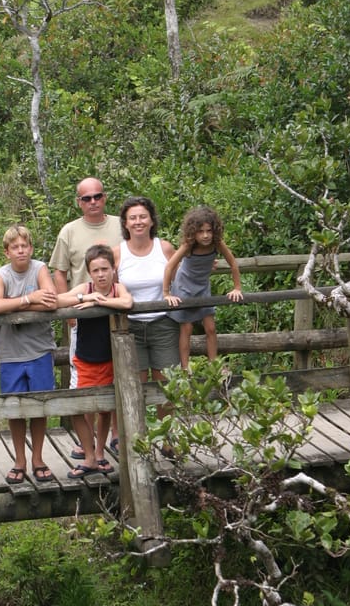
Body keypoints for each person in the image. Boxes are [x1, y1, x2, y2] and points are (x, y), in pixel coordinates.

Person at [50, 176, 123, 458]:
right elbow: (59, 271)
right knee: (83, 380)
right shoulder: (69, 231)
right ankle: (87, 442)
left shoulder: (120, 225)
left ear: (105, 197)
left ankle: (116, 436)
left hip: (117, 314)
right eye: (86, 198)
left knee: (116, 374)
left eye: (97, 196)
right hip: (82, 315)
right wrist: (68, 314)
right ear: (78, 202)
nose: (92, 202)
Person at [0, 225, 58, 485]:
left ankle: (38, 458)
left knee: (39, 406)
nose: (21, 251)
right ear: (7, 252)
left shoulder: (39, 268)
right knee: (15, 408)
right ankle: (19, 460)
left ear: (31, 248)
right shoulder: (0, 275)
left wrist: (14, 303)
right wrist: (30, 299)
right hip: (10, 353)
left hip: (39, 348)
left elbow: (51, 301)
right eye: (15, 247)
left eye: (24, 246)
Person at [56, 244, 133, 477]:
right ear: (89, 272)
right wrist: (85, 297)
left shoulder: (118, 288)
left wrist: (98, 303)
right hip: (85, 359)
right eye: (96, 270)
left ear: (113, 268)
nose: (101, 274)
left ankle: (99, 455)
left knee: (106, 410)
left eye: (105, 269)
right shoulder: (86, 287)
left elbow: (127, 303)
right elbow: (58, 301)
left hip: (111, 359)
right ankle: (89, 456)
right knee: (77, 408)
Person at [164, 206, 244, 368]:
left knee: (211, 328)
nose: (205, 235)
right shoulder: (189, 246)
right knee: (187, 329)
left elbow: (233, 263)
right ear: (193, 232)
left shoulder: (217, 244)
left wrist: (237, 288)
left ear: (215, 230)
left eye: (209, 230)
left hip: (202, 287)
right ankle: (185, 369)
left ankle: (213, 365)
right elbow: (170, 266)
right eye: (200, 231)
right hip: (184, 287)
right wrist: (166, 293)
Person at [114, 195, 180, 386]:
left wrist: (205, 262)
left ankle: (166, 418)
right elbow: (111, 287)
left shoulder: (165, 248)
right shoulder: (117, 253)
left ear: (152, 220)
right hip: (130, 326)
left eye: (143, 216)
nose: (138, 222)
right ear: (125, 224)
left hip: (164, 325)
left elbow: (184, 275)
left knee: (167, 387)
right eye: (133, 218)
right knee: (135, 386)